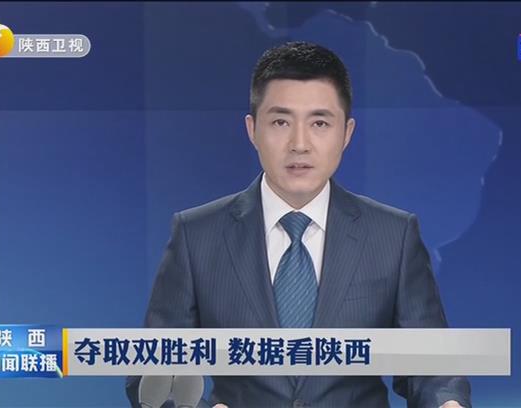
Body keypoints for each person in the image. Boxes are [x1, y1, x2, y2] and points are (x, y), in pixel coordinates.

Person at [127, 41, 471, 408]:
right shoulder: (197, 235)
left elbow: (432, 367)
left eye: (320, 123)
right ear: (252, 129)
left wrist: (446, 403)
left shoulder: (393, 235)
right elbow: (153, 369)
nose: (300, 144)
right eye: (280, 122)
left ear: (347, 133)